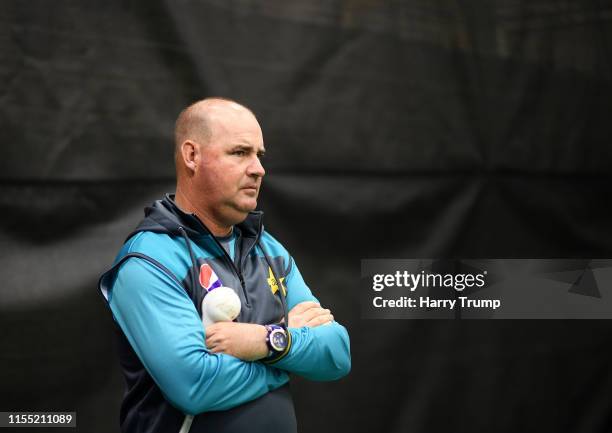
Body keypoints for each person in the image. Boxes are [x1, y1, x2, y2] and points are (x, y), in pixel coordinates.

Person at [98, 97, 351, 433]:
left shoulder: (269, 249)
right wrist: (289, 350)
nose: (258, 168)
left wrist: (264, 340)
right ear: (192, 156)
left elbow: (336, 353)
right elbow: (196, 385)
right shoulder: (149, 259)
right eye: (239, 152)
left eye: (258, 155)